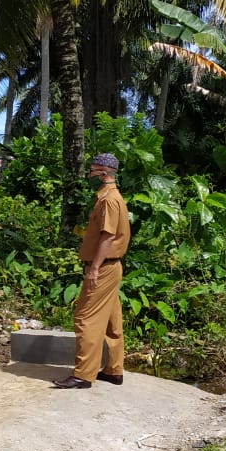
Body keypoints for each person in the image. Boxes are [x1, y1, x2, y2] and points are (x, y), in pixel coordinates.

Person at [53, 153, 131, 389]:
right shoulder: (110, 197)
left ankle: (83, 375)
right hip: (111, 266)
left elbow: (107, 236)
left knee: (85, 318)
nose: (90, 173)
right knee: (110, 320)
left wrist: (94, 268)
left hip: (104, 267)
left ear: (104, 173)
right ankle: (114, 370)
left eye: (93, 169)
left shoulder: (108, 200)